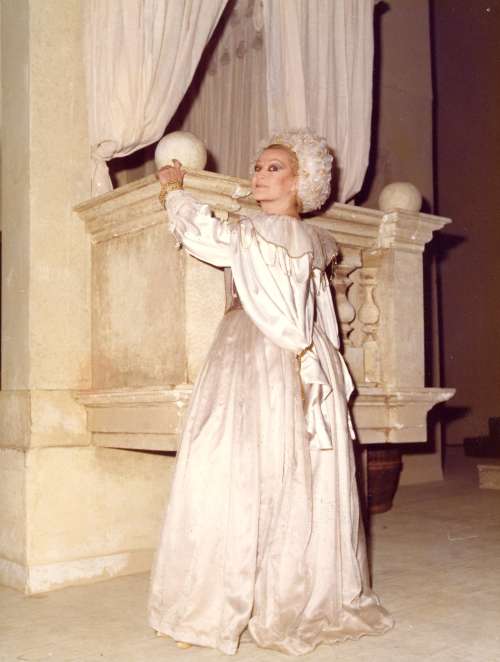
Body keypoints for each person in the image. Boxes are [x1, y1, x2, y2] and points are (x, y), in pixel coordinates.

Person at [148, 129, 393, 656]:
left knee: (235, 472)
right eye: (258, 167)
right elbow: (321, 319)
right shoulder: (304, 240)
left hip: (259, 357)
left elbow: (205, 234)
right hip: (287, 360)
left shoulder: (265, 231)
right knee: (276, 476)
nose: (260, 175)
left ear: (301, 181)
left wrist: (173, 189)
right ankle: (254, 598)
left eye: (274, 168)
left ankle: (220, 606)